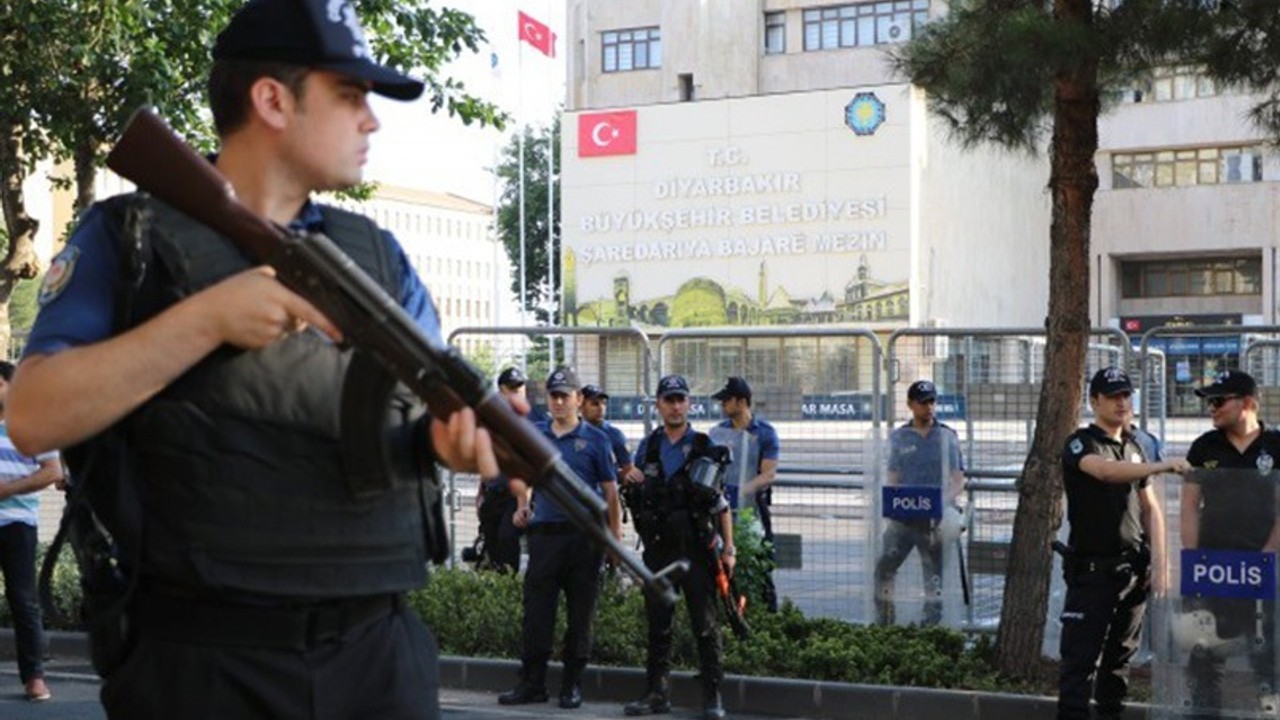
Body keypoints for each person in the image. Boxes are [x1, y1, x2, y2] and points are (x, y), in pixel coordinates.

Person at [6, 1, 511, 718]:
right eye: (349, 94)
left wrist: (450, 442)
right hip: (200, 664)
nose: (371, 120)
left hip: (376, 659)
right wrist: (207, 317)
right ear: (272, 99)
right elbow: (31, 415)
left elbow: (419, 406)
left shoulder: (377, 257)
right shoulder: (131, 239)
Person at [1056, 367, 1187, 720]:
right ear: (1094, 400)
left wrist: (1161, 562)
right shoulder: (1081, 443)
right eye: (1113, 396)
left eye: (1126, 395)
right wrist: (1161, 467)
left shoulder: (1135, 447)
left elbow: (1151, 510)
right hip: (1092, 574)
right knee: (1079, 667)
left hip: (1132, 573)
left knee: (1118, 666)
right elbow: (1105, 472)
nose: (1122, 403)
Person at [499, 367, 620, 710]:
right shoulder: (537, 435)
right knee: (537, 614)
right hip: (545, 538)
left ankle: (572, 685)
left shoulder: (597, 439)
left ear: (579, 400)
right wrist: (523, 504)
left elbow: (611, 495)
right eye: (554, 395)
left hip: (584, 540)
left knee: (580, 616)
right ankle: (532, 684)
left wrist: (615, 540)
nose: (559, 402)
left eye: (565, 395)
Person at [624, 374, 734, 720]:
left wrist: (729, 549)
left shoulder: (704, 446)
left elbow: (721, 504)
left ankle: (713, 696)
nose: (674, 406)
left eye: (680, 400)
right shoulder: (648, 447)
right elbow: (637, 489)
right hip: (658, 551)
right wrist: (630, 478)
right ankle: (657, 694)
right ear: (658, 404)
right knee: (658, 625)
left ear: (689, 404)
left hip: (698, 552)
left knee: (705, 625)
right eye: (668, 400)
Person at [1181, 369, 1280, 717]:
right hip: (1214, 569)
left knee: (1268, 658)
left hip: (1262, 569)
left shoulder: (1276, 445)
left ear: (1248, 403)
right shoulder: (1204, 446)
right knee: (1205, 658)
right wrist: (1191, 563)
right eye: (1210, 401)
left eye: (1219, 400)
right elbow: (1190, 506)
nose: (1212, 407)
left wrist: (1268, 557)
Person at [874, 379, 965, 626]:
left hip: (934, 521)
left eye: (932, 401)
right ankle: (885, 623)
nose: (929, 407)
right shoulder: (900, 437)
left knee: (933, 579)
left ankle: (931, 629)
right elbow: (893, 478)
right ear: (911, 404)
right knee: (884, 569)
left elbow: (958, 479)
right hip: (904, 519)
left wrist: (941, 502)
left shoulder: (946, 436)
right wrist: (895, 502)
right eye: (923, 402)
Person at [0, 361, 63, 702]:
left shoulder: (32, 426)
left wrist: (6, 490)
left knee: (23, 600)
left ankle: (34, 678)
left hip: (17, 526)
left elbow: (52, 471)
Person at [708, 376, 780, 612]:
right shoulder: (717, 433)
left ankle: (768, 616)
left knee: (760, 566)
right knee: (720, 563)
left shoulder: (765, 433)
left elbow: (768, 474)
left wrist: (740, 492)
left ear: (741, 402)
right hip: (721, 509)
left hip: (752, 509)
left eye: (726, 400)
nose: (722, 406)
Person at [472, 367, 539, 572]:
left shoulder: (532, 421)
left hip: (515, 494)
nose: (518, 392)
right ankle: (496, 591)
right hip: (494, 492)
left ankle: (508, 589)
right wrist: (480, 492)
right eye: (513, 388)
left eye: (521, 387)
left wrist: (523, 504)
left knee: (507, 539)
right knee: (492, 543)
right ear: (502, 391)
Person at [580, 383, 642, 484]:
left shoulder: (614, 435)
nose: (601, 408)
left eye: (603, 403)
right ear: (581, 406)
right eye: (595, 404)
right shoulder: (572, 432)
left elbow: (629, 469)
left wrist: (609, 477)